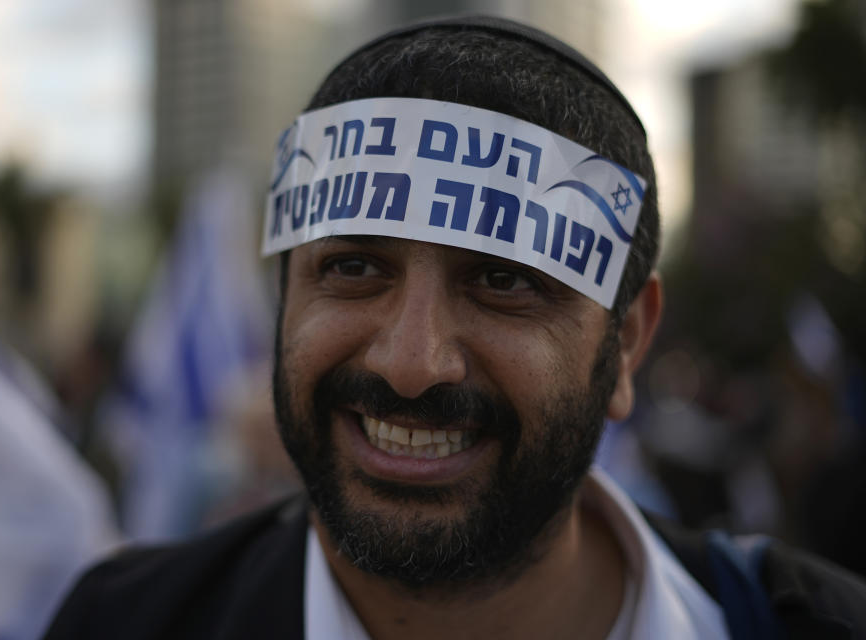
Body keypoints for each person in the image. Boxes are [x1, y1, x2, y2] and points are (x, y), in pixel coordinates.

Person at [44, 15, 866, 639]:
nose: (410, 364)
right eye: (354, 268)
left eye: (504, 282)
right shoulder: (121, 622)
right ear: (285, 297)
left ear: (625, 344)